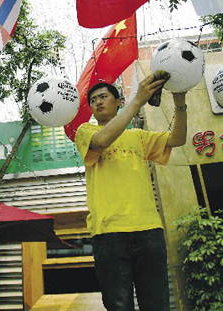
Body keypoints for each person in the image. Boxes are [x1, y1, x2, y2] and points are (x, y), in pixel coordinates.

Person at [74, 76, 188, 311]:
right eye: (93, 100)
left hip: (148, 230)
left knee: (157, 305)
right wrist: (137, 101)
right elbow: (102, 140)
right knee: (118, 306)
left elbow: (178, 139)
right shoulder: (85, 132)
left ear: (118, 101)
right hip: (108, 233)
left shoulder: (138, 136)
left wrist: (179, 101)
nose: (97, 102)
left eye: (103, 97)